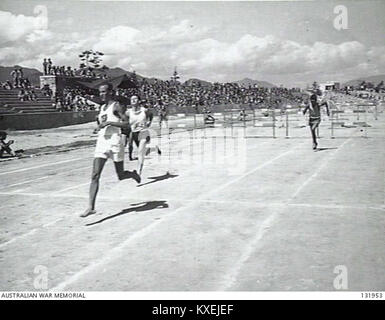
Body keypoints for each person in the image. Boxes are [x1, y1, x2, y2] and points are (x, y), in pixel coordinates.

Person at [81, 84, 141, 218]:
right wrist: (98, 127)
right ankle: (91, 207)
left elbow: (127, 124)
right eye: (100, 92)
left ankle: (132, 174)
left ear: (111, 93)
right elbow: (102, 123)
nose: (101, 94)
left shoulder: (117, 106)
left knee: (120, 175)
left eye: (104, 92)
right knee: (95, 175)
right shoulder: (102, 107)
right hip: (102, 142)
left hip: (115, 142)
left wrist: (109, 123)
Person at [126, 95, 161, 177]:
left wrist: (149, 122)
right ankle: (154, 148)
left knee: (140, 153)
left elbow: (151, 115)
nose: (133, 100)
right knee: (144, 152)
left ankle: (138, 172)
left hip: (143, 132)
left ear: (139, 101)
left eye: (135, 99)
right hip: (134, 133)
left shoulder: (144, 110)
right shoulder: (128, 112)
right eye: (132, 99)